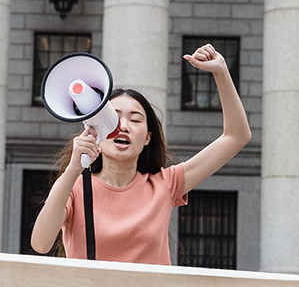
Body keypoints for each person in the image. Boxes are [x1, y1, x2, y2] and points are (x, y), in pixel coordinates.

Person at [30, 43, 251, 263]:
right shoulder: (75, 187)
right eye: (115, 118)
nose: (124, 126)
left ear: (147, 138)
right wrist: (72, 170)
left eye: (135, 120)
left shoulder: (165, 185)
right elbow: (41, 243)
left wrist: (220, 71)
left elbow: (236, 136)